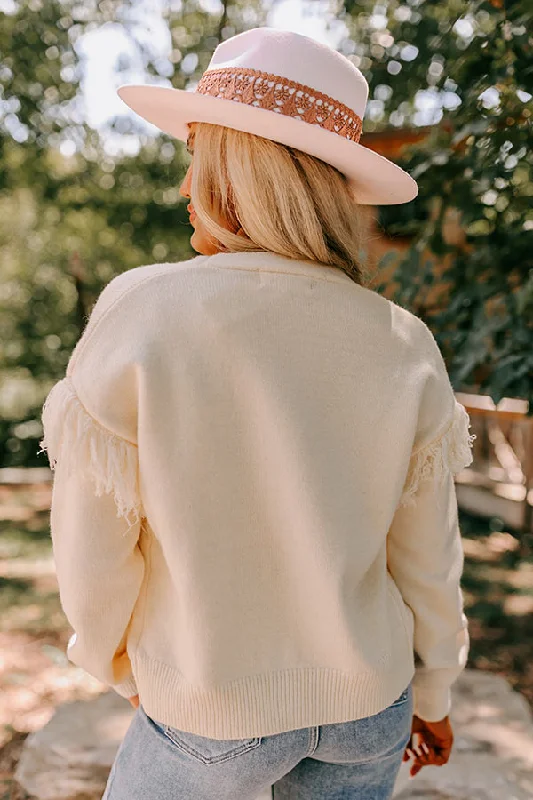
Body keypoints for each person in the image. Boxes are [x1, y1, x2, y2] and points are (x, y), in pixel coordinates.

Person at [40, 27, 474, 800]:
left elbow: (95, 547)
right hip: (369, 709)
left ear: (237, 174)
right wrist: (435, 695)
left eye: (194, 160)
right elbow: (428, 560)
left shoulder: (144, 311)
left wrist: (113, 667)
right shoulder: (402, 340)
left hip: (209, 709)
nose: (184, 188)